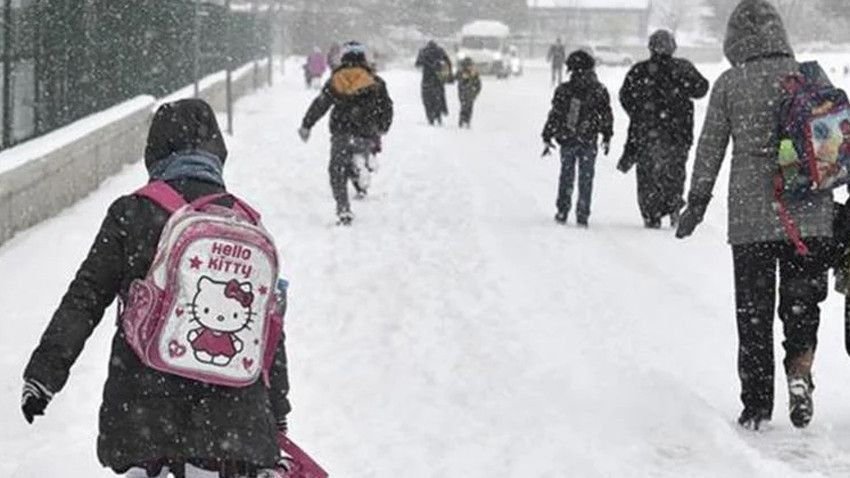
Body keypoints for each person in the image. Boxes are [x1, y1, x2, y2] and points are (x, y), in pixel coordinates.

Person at [20, 99, 291, 477]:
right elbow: (268, 328)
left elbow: (85, 298)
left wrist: (44, 374)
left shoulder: (132, 213)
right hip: (233, 424)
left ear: (155, 151)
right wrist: (276, 414)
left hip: (144, 416)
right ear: (217, 152)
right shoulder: (246, 223)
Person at [676, 0, 834, 431]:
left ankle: (757, 406)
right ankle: (799, 370)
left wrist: (697, 201)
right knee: (801, 305)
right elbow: (835, 141)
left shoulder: (730, 83)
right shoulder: (808, 75)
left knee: (754, 313)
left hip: (752, 219)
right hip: (810, 215)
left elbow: (710, 148)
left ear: (734, 41)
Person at [618, 30, 709, 229]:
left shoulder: (639, 71)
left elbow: (625, 97)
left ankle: (651, 214)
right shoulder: (683, 68)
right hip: (678, 133)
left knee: (648, 175)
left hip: (646, 133)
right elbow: (702, 88)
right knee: (675, 172)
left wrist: (639, 113)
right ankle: (673, 205)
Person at [299, 41, 394, 226]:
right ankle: (363, 167)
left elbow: (320, 104)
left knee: (337, 170)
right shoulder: (376, 82)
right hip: (366, 132)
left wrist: (306, 125)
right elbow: (387, 107)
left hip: (341, 131)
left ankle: (343, 208)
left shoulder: (336, 80)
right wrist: (383, 127)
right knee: (359, 155)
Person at [542, 50, 613, 227]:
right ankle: (582, 212)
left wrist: (548, 133)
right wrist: (606, 134)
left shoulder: (565, 90)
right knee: (586, 178)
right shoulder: (599, 90)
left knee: (566, 175)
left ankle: (562, 209)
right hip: (589, 140)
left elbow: (555, 114)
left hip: (568, 138)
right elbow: (606, 114)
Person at [415, 40, 453, 126]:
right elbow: (448, 63)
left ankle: (430, 117)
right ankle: (438, 114)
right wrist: (449, 75)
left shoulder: (423, 52)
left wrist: (426, 63)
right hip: (438, 79)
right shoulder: (440, 51)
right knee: (438, 98)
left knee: (427, 99)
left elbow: (417, 64)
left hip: (427, 79)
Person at [456, 57, 482, 129]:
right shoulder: (461, 73)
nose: (470, 67)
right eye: (468, 65)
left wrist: (476, 92)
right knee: (464, 106)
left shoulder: (474, 74)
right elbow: (457, 78)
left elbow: (478, 84)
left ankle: (467, 121)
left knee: (469, 107)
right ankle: (462, 120)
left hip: (471, 94)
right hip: (463, 93)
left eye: (471, 65)